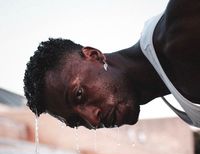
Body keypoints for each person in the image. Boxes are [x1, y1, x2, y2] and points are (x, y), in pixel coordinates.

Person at [24, 0, 200, 130]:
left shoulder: (180, 36)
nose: (92, 120)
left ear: (94, 55)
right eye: (76, 121)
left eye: (79, 95)